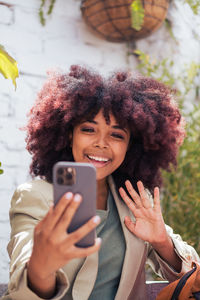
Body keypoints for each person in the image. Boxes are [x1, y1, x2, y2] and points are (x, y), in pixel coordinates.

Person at [2, 65, 199, 300]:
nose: (101, 143)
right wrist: (41, 266)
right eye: (88, 129)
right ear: (68, 134)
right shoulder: (35, 196)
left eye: (117, 135)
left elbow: (193, 276)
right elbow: (22, 286)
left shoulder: (133, 199)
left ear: (130, 146)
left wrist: (161, 240)